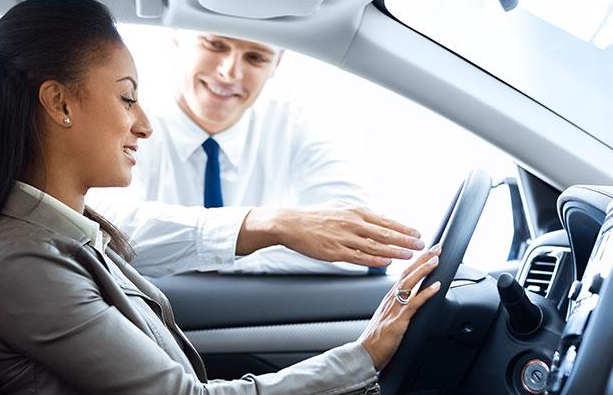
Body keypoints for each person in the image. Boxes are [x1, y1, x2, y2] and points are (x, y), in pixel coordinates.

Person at [0, 0, 460, 395]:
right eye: (126, 97)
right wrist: (362, 356)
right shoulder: (21, 260)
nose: (143, 123)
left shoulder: (59, 235)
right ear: (59, 102)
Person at [86, 31, 424, 276]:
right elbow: (109, 232)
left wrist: (191, 251)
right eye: (215, 45)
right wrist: (272, 227)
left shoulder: (298, 124)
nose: (229, 72)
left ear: (277, 63)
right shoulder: (129, 120)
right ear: (178, 38)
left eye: (255, 57)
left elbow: (356, 244)